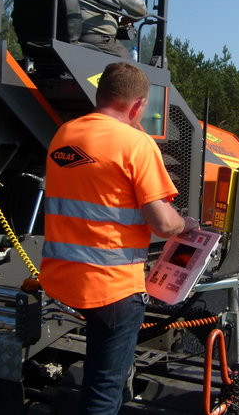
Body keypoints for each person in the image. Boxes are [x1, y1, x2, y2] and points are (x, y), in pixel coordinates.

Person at [40, 62, 199, 414]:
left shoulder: (64, 134)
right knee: (102, 394)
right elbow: (162, 223)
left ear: (100, 95)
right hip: (113, 289)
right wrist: (185, 225)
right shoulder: (137, 144)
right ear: (139, 105)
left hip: (63, 279)